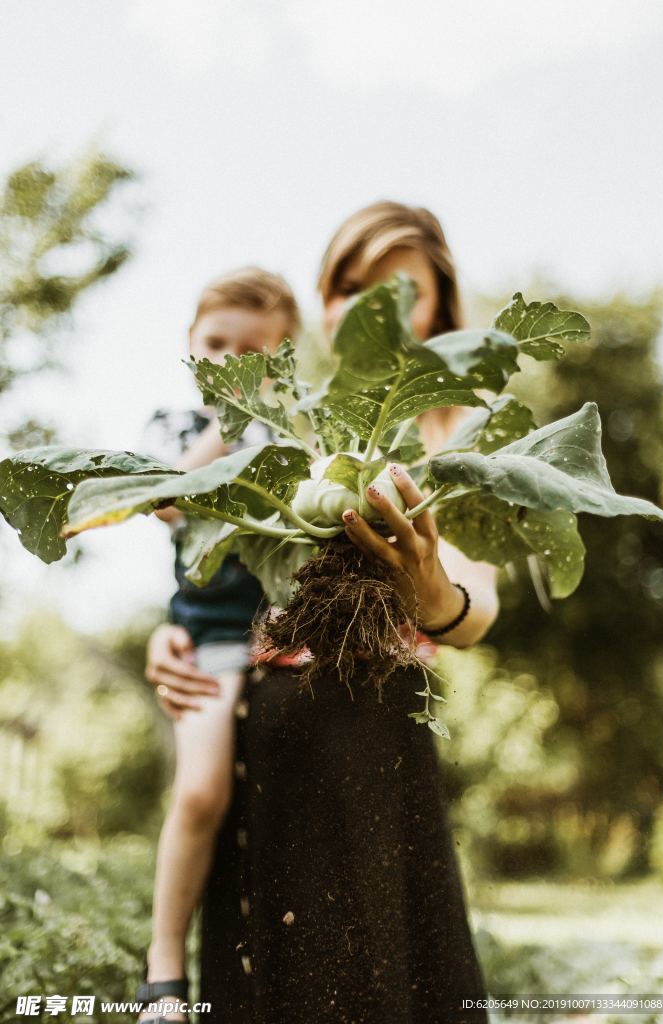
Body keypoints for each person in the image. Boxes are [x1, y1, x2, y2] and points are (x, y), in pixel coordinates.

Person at [146, 202, 500, 1024]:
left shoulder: (456, 429)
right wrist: (169, 637)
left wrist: (432, 596)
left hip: (377, 735)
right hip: (261, 738)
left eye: (401, 290)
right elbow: (210, 552)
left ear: (439, 306)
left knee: (389, 972)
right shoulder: (287, 416)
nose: (373, 307)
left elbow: (477, 609)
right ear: (323, 299)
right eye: (351, 286)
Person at [135, 267, 302, 1024]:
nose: (234, 364)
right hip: (210, 640)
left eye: (254, 354)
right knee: (202, 789)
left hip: (290, 637)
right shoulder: (173, 428)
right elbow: (165, 501)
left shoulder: (300, 435)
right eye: (217, 347)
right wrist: (232, 421)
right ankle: (164, 969)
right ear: (191, 348)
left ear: (283, 359)